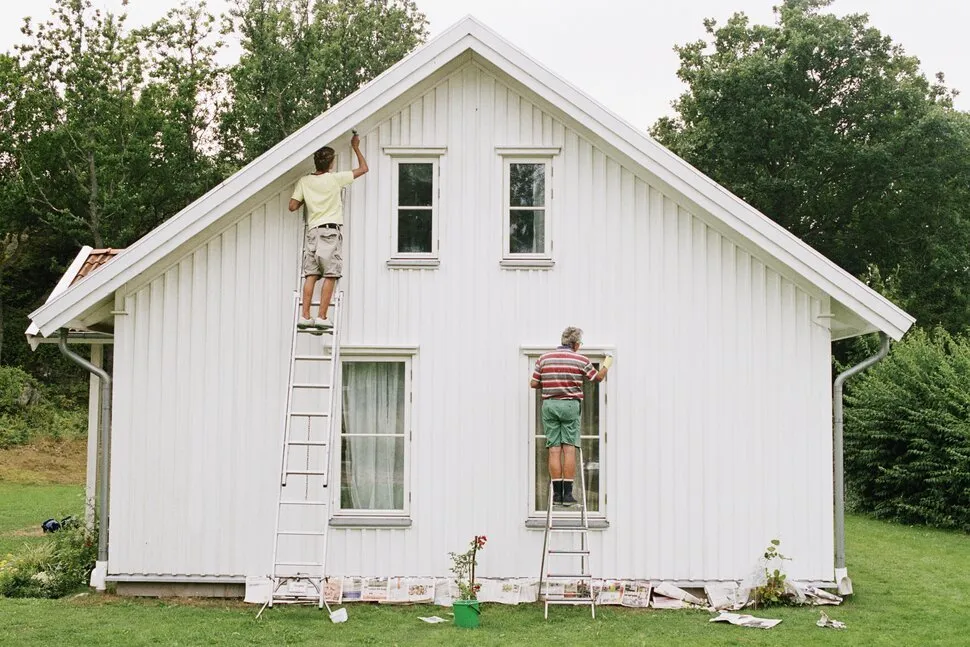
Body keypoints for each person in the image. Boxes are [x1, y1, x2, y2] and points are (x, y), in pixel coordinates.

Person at [288, 133, 369, 330]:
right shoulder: (335, 179)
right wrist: (356, 147)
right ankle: (322, 316)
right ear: (331, 163)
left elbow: (292, 206)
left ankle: (305, 316)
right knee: (331, 273)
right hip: (329, 232)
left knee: (311, 275)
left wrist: (307, 199)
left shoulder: (304, 181)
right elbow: (364, 169)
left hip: (313, 232)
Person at [530, 327, 610, 506]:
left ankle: (556, 495)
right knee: (569, 449)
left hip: (549, 405)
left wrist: (553, 382)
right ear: (575, 344)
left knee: (554, 449)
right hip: (570, 405)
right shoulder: (580, 359)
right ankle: (567, 495)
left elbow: (534, 383)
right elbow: (597, 378)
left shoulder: (544, 359)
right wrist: (607, 363)